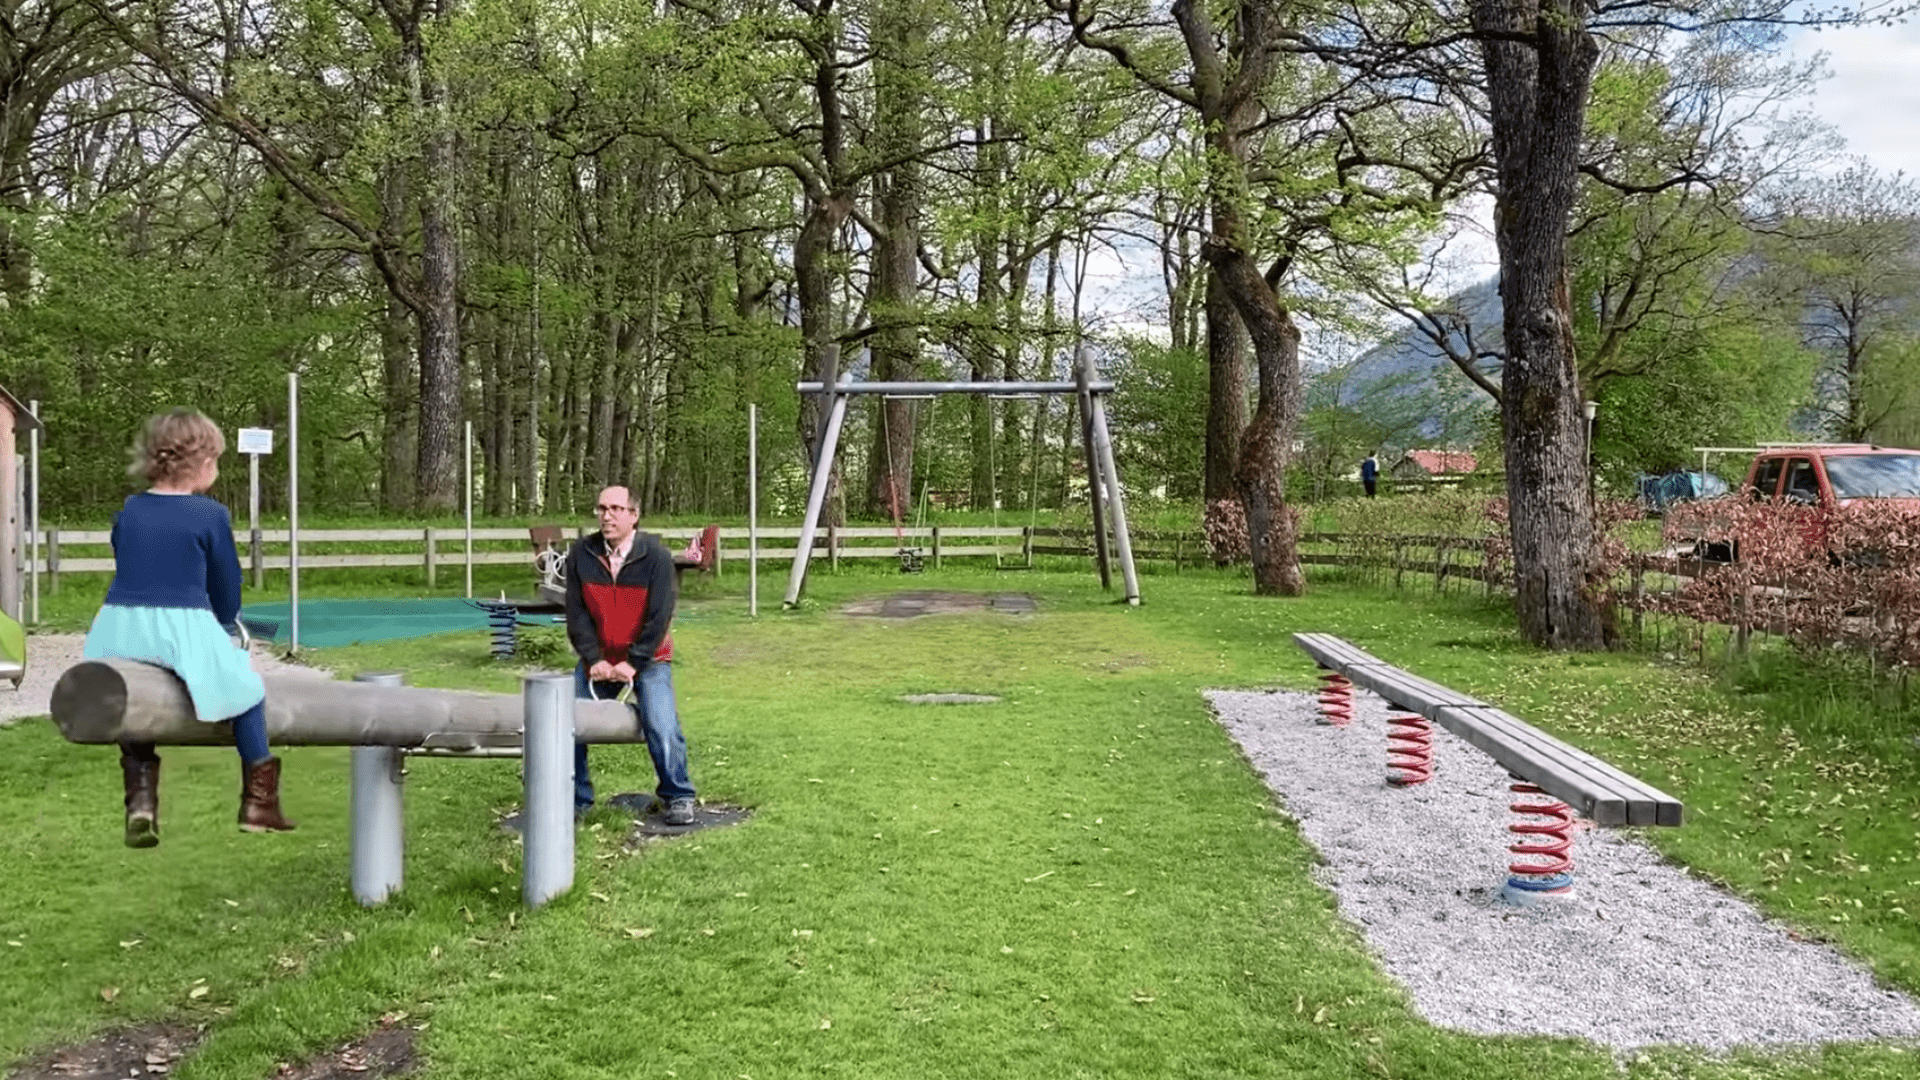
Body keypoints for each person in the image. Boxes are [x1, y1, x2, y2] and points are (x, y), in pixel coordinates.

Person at [83, 409, 295, 848]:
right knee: (246, 691)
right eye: (216, 461)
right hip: (182, 621)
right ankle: (260, 803)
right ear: (201, 464)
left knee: (133, 697)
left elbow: (127, 560)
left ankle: (141, 800)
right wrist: (222, 624)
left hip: (119, 622)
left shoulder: (131, 509)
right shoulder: (209, 514)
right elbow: (226, 586)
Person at [563, 485, 696, 825]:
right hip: (599, 659)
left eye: (615, 509)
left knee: (662, 723)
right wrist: (594, 659)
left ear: (633, 515)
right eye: (601, 509)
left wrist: (632, 663)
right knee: (564, 724)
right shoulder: (582, 553)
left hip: (649, 660)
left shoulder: (656, 557)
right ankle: (577, 800)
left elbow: (659, 617)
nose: (606, 516)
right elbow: (576, 614)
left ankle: (677, 795)